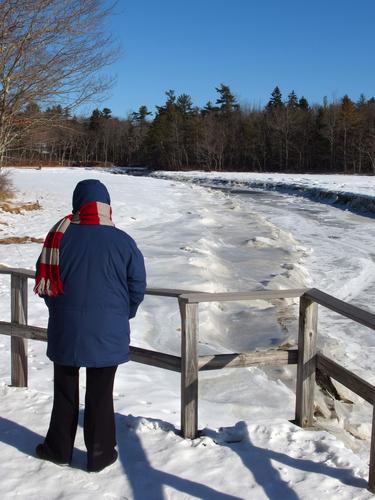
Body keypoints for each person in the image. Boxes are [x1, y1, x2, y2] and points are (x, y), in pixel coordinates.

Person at [34, 179, 146, 472]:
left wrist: (59, 311)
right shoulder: (123, 241)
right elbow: (137, 286)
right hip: (108, 331)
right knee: (100, 394)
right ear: (106, 205)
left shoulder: (58, 237)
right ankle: (100, 455)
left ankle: (58, 450)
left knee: (65, 392)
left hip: (66, 329)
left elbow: (45, 284)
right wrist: (123, 313)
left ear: (77, 202)